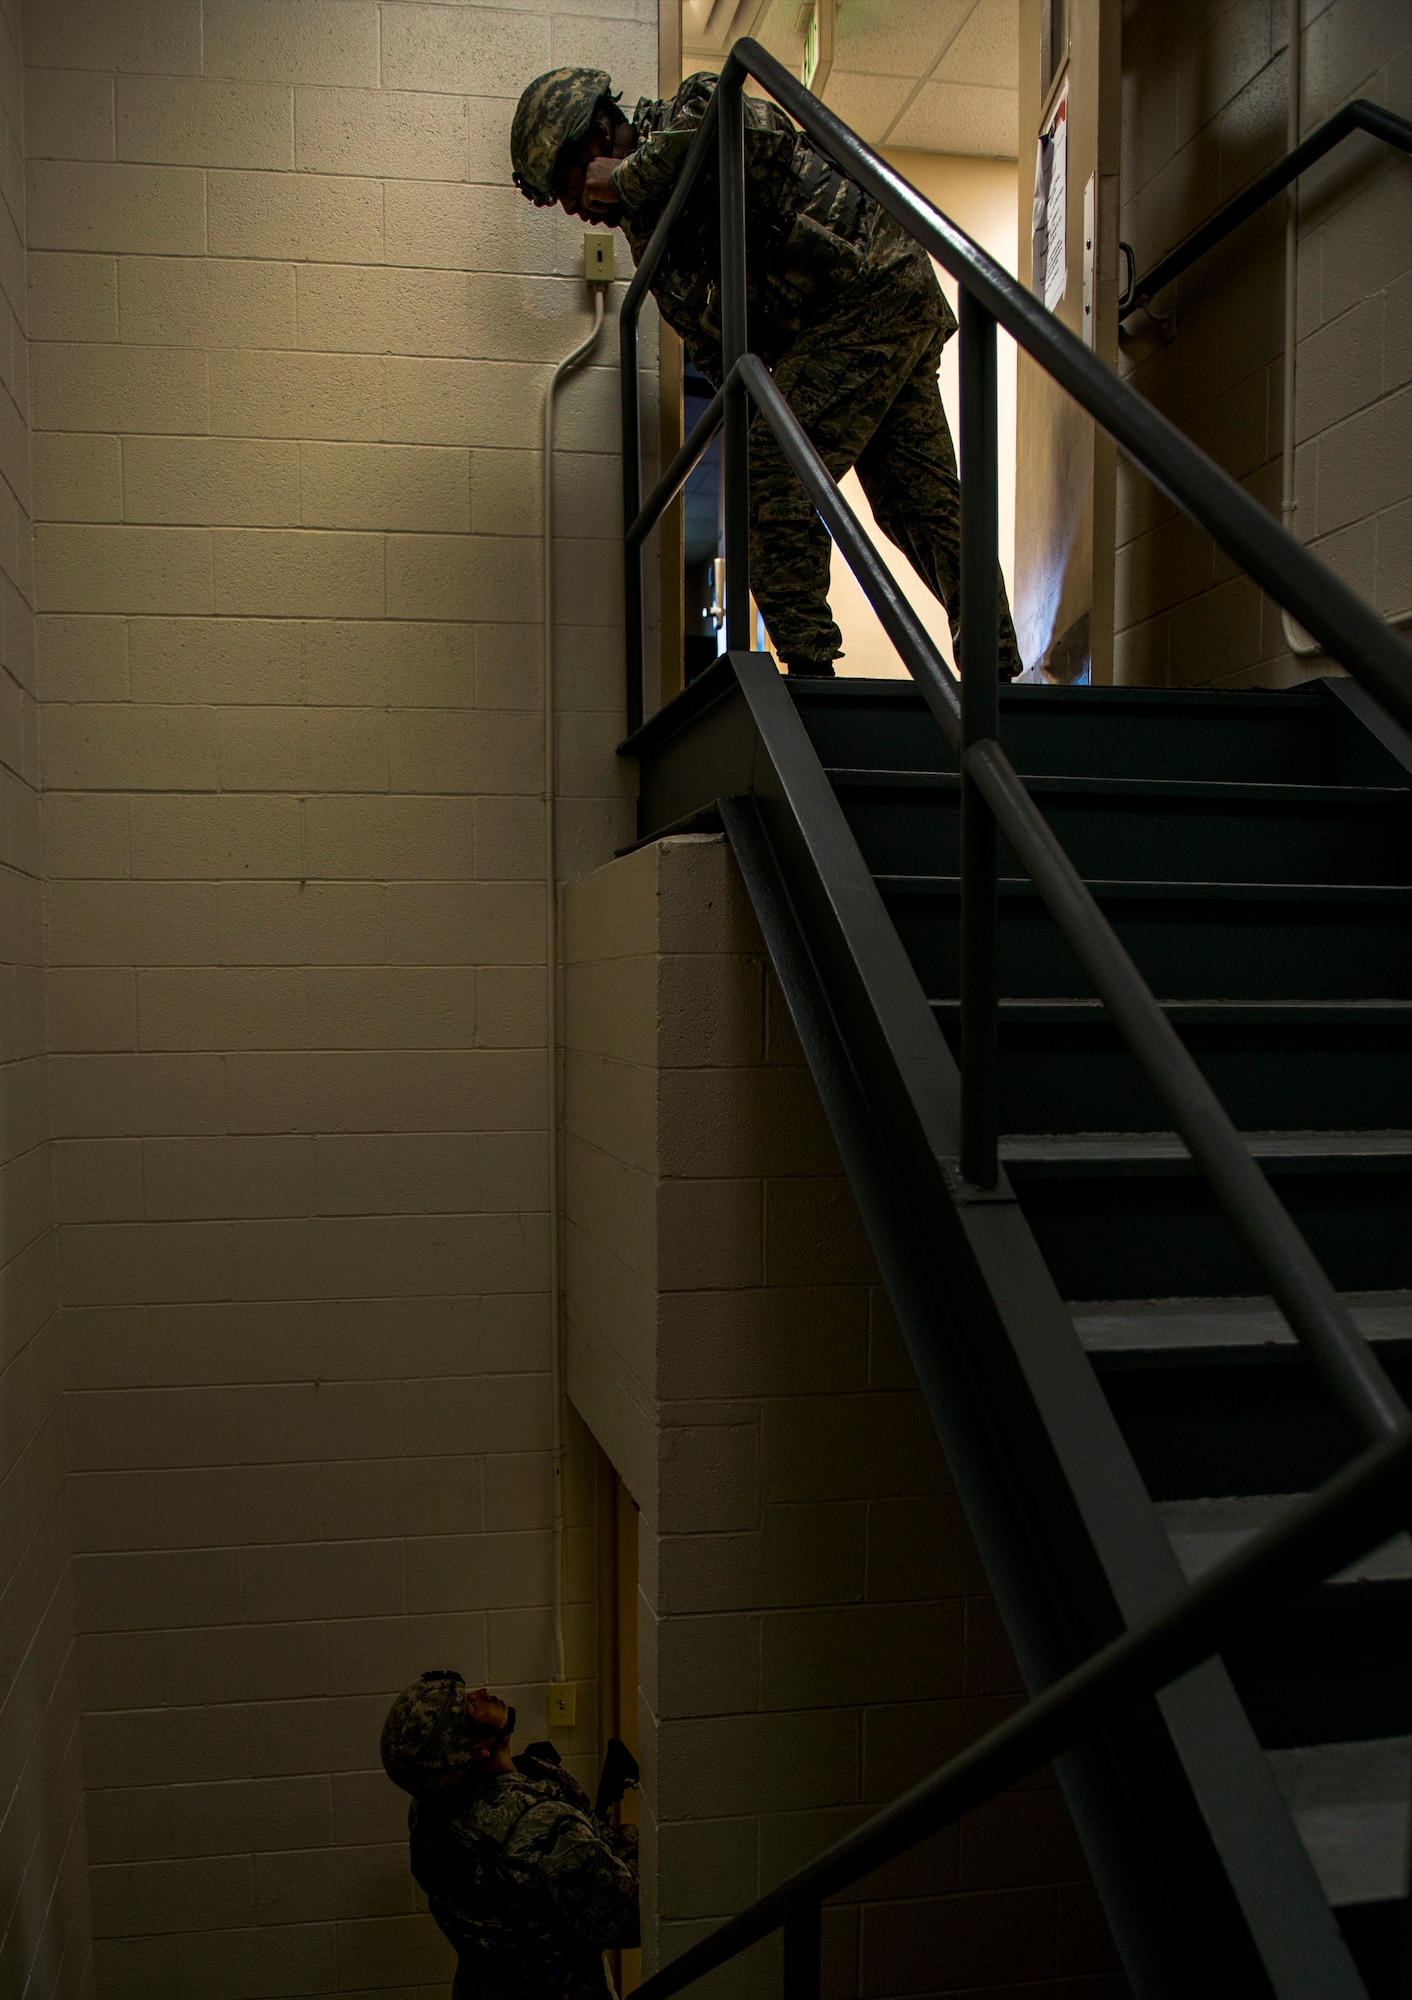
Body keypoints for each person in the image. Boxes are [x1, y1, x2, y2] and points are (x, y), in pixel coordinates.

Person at [511, 66, 1023, 681]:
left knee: (775, 473)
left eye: (567, 186)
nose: (572, 208)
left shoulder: (696, 110)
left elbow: (752, 137)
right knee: (916, 505)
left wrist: (627, 177)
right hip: (856, 315)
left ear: (597, 134)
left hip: (868, 287)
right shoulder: (648, 231)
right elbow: (714, 342)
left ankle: (812, 679)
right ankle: (997, 676)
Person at [381, 1671, 639, 1999]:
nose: (485, 1692)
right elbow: (629, 1919)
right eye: (471, 1705)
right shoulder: (544, 1825)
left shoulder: (427, 1811)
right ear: (475, 1748)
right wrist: (630, 1840)